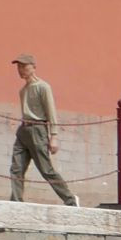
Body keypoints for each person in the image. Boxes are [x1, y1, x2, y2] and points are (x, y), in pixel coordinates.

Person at [8, 54, 77, 205]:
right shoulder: (23, 90)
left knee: (46, 170)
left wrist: (54, 136)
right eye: (18, 67)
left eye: (24, 66)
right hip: (23, 130)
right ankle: (16, 202)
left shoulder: (43, 87)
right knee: (16, 168)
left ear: (33, 67)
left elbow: (51, 112)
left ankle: (70, 199)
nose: (20, 70)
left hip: (38, 129)